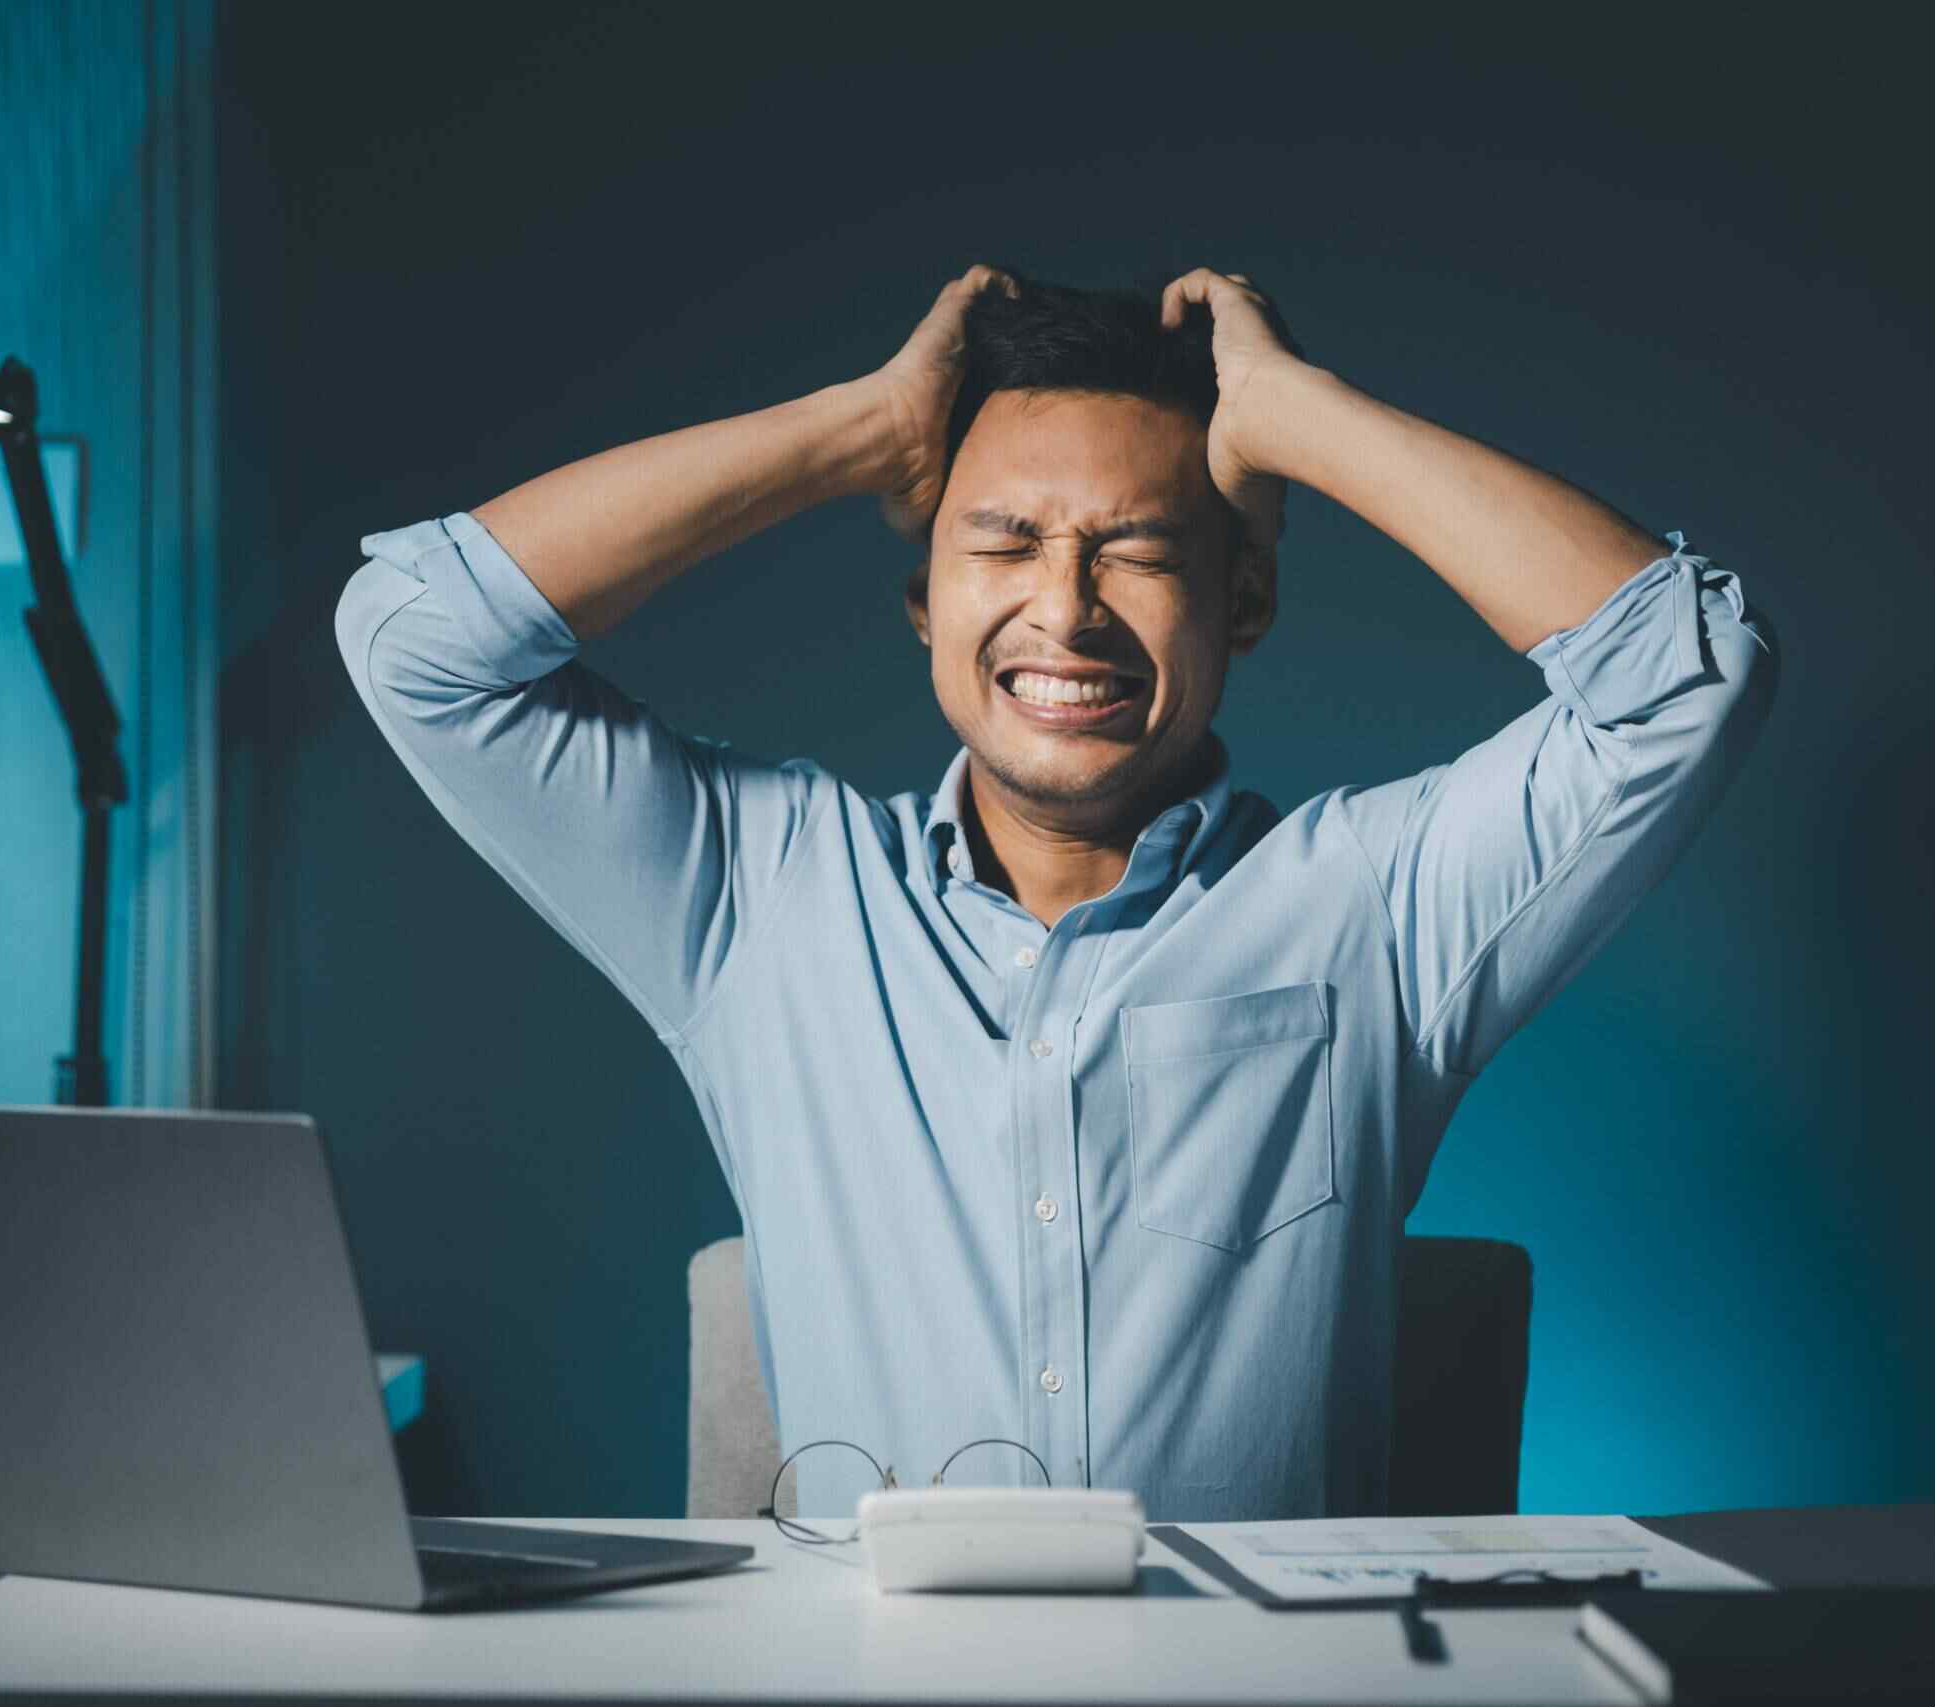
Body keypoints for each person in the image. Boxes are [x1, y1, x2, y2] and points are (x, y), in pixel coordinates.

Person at [336, 264, 1778, 1520]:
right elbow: (411, 638)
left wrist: (1299, 422)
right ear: (924, 608)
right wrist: (859, 434)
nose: (1066, 610)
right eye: (1005, 544)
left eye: (1139, 552)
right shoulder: (756, 896)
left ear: (1247, 605)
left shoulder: (1377, 909)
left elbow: (1684, 685)